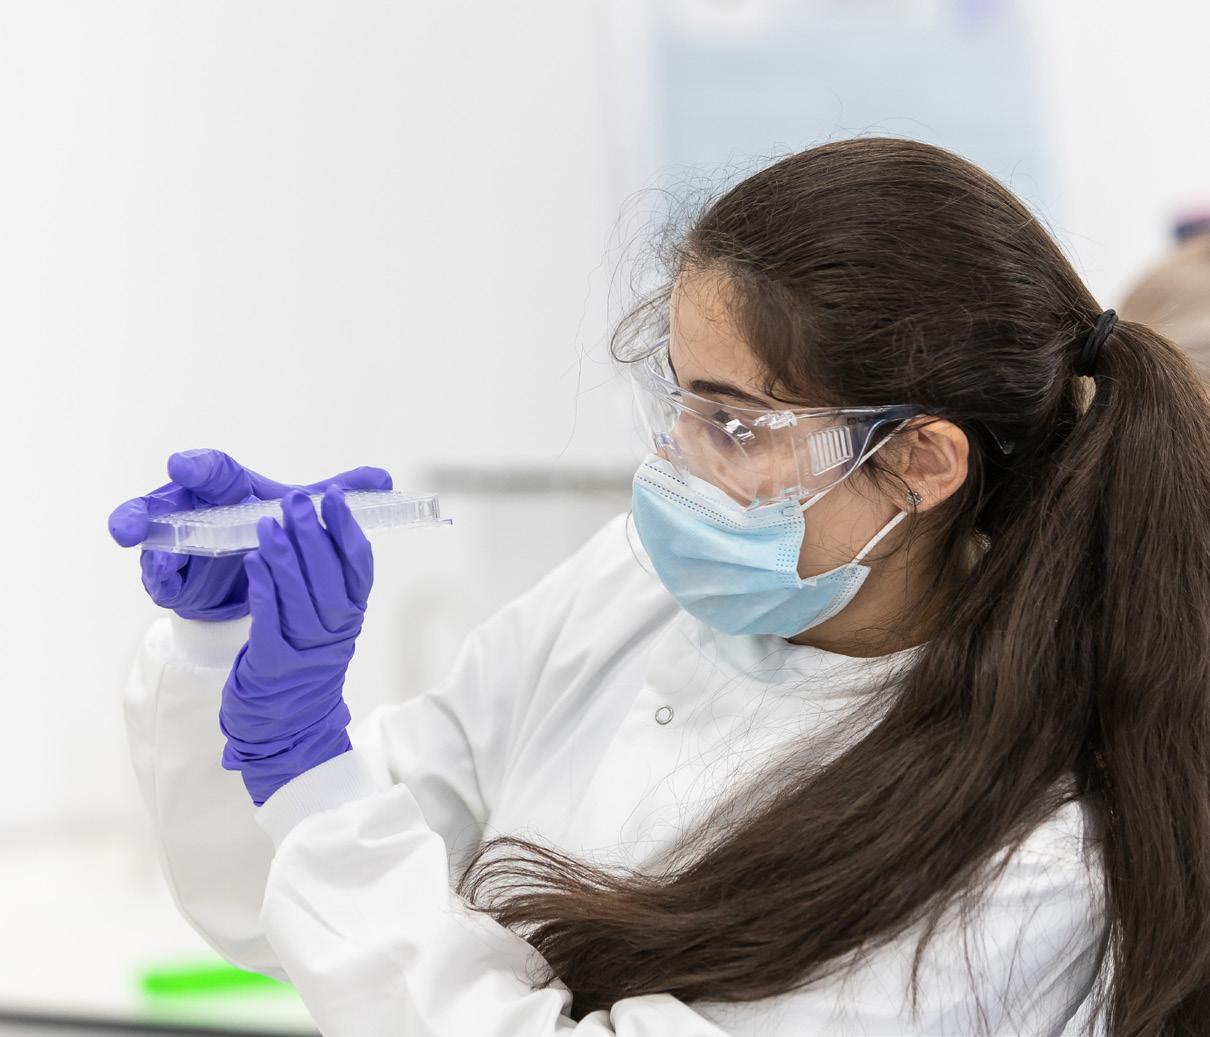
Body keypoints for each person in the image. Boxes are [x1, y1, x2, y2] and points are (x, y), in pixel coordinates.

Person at [108, 137, 1210, 1036]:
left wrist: (309, 774)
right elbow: (287, 907)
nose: (677, 460)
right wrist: (226, 653)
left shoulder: (1026, 856)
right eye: (680, 402)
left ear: (923, 461)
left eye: (734, 422)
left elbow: (357, 889)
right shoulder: (636, 586)